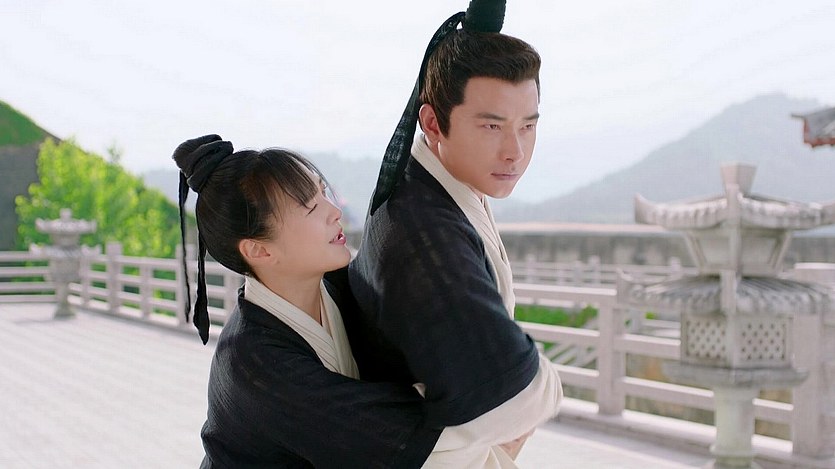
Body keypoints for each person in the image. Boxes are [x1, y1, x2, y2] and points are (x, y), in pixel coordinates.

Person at [347, 0, 563, 467]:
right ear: (432, 123)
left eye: (528, 126)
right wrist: (546, 386)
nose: (515, 151)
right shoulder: (422, 233)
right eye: (492, 126)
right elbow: (516, 397)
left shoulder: (441, 188)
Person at [172, 134, 444, 468]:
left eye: (322, 192)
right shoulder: (254, 362)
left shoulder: (341, 285)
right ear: (259, 250)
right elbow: (407, 439)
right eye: (311, 207)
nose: (334, 211)